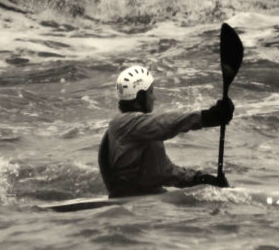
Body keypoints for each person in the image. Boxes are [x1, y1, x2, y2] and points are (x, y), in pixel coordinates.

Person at [99, 65, 235, 198]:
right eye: (151, 92)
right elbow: (167, 124)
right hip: (135, 201)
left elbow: (163, 172)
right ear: (140, 96)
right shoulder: (124, 123)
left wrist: (200, 179)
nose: (154, 98)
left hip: (148, 198)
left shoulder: (140, 130)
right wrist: (208, 117)